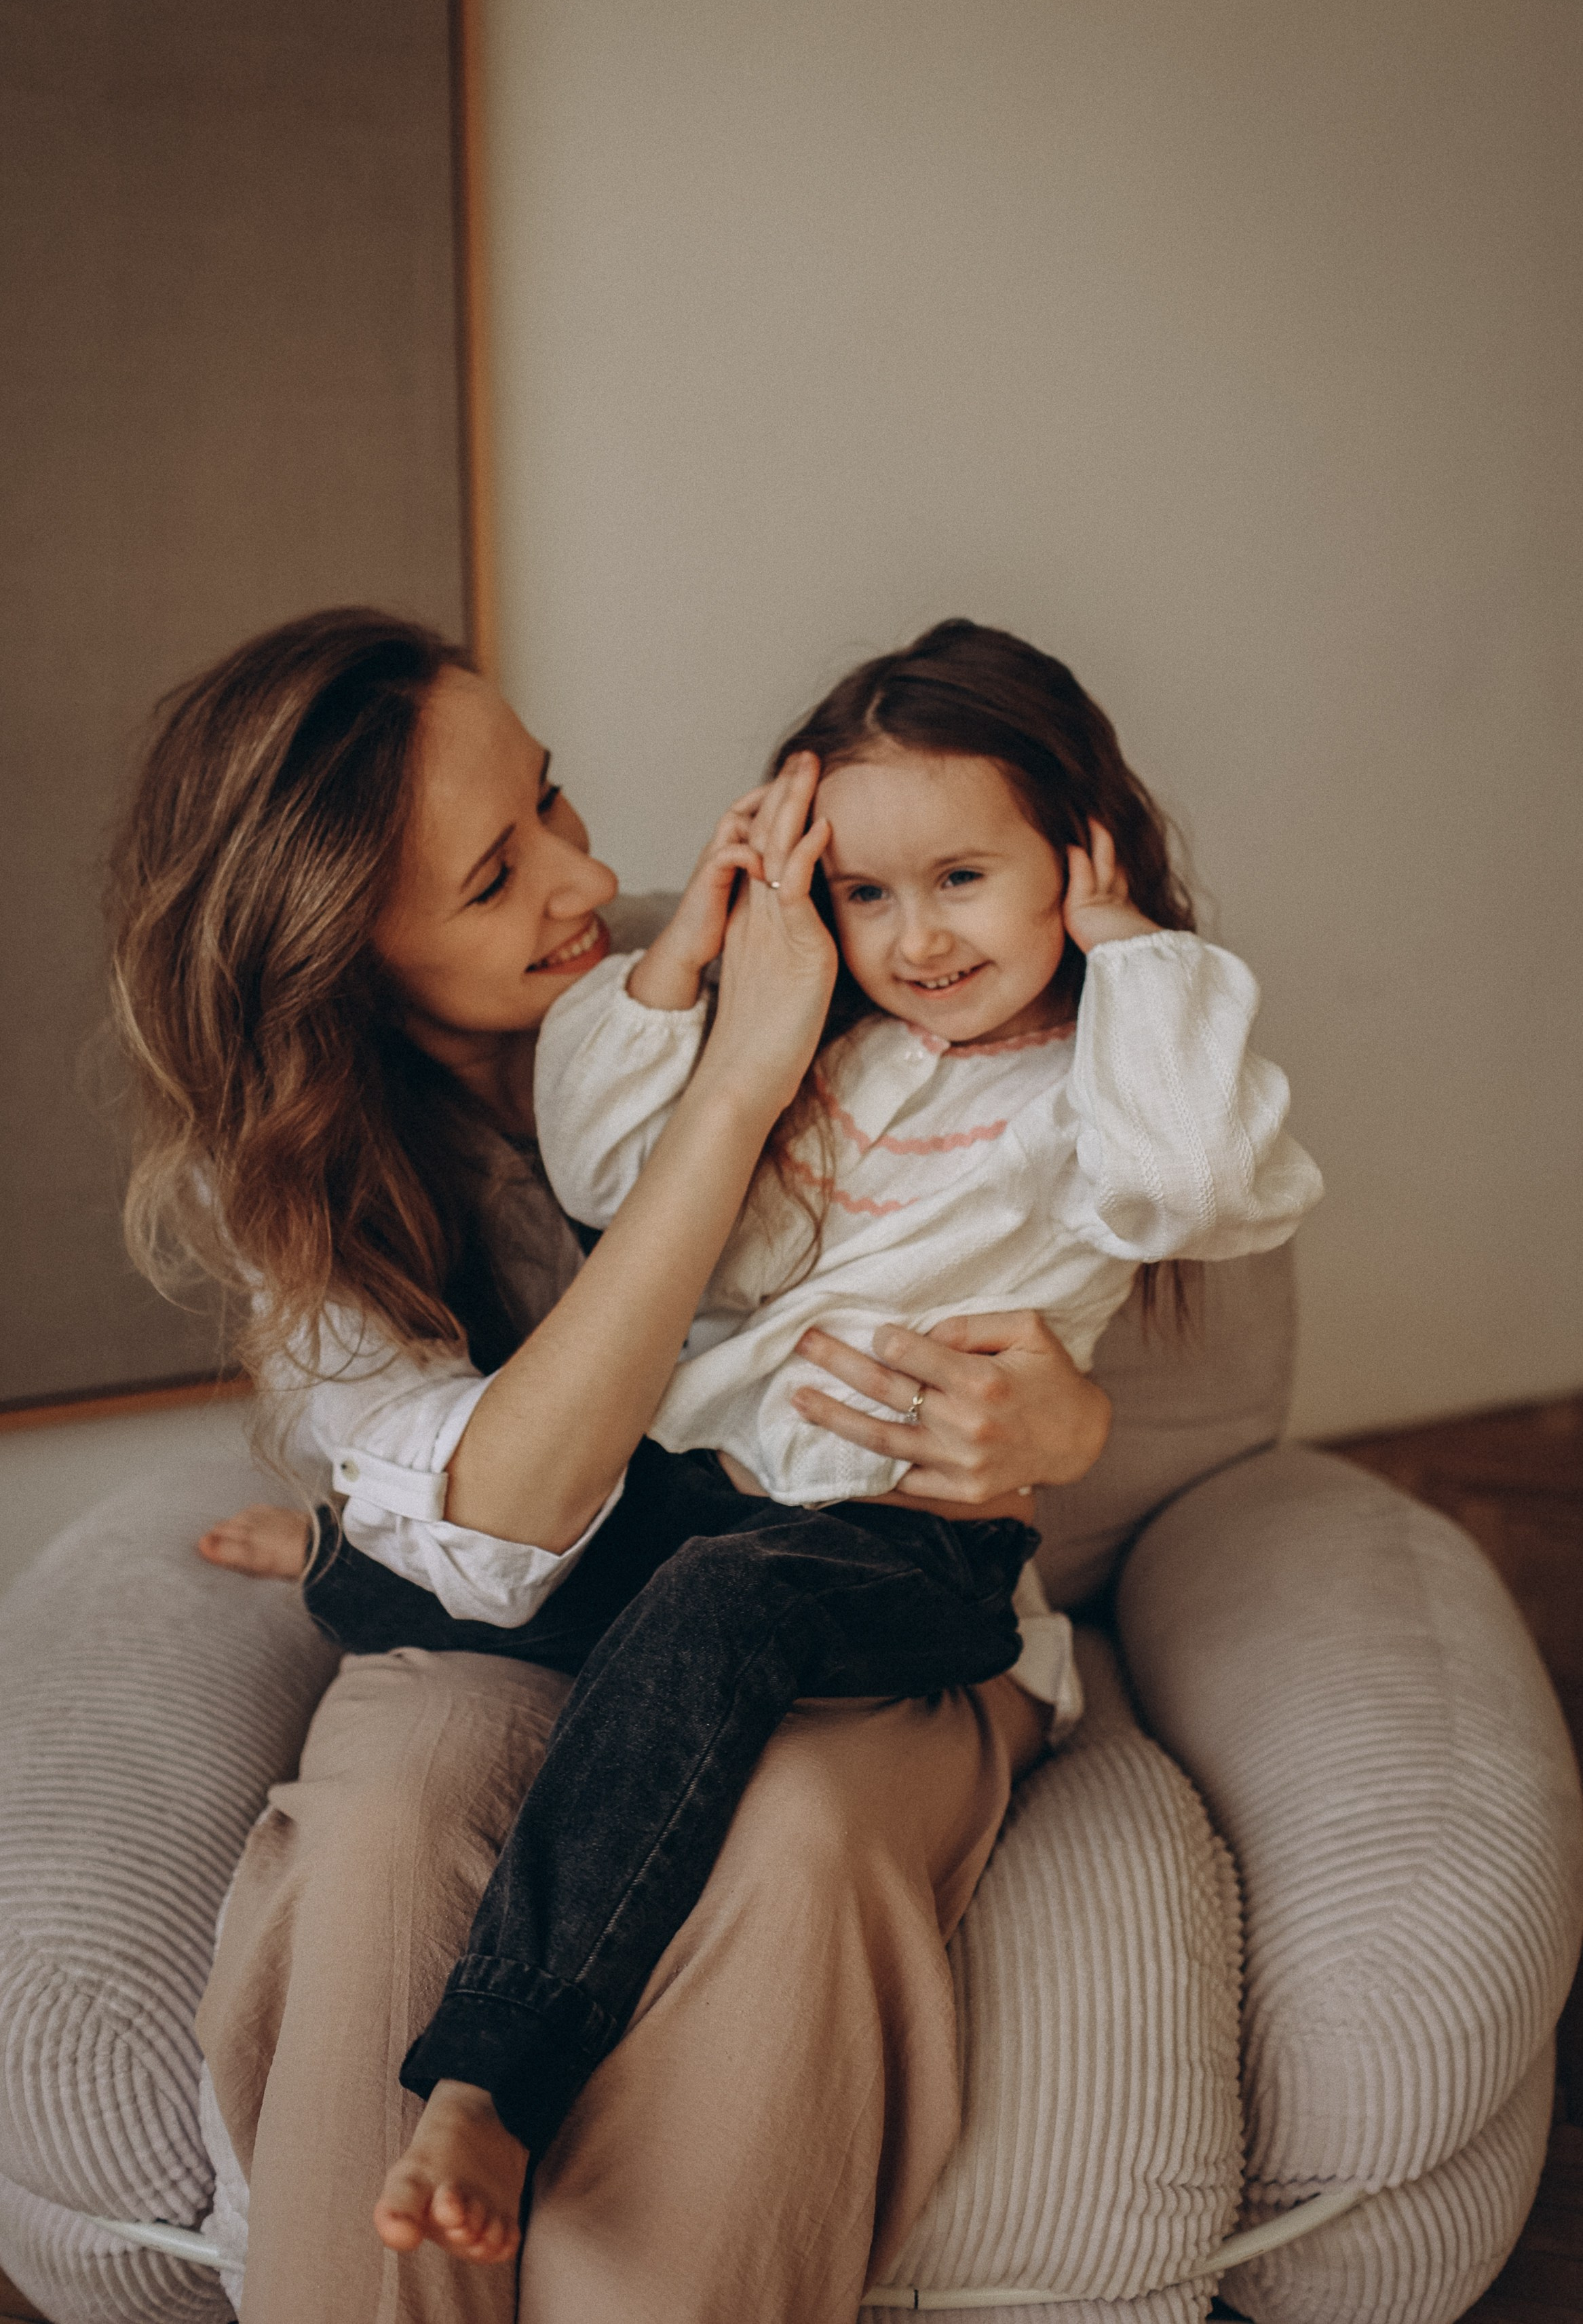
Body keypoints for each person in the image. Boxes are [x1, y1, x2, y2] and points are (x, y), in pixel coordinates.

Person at [262, 617, 1322, 2264]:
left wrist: (1135, 949)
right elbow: (617, 1171)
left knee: (716, 1610)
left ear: (1075, 854)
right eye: (867, 892)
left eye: (963, 878)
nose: (917, 938)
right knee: (432, 1588)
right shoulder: (838, 1056)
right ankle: (343, 1548)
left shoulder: (1100, 1084)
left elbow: (1193, 1176)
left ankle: (495, 2068)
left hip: (902, 1544)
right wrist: (701, 967)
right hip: (722, 1505)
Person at [110, 607, 1114, 2323]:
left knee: (800, 1830)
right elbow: (491, 1534)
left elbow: (1050, 1241)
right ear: (345, 955)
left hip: (840, 1595)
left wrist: (1074, 1427)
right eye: (497, 876)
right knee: (398, 1813)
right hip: (518, 1601)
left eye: (555, 806)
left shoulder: (788, 958)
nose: (594, 882)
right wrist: (732, 1094)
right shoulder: (292, 1182)